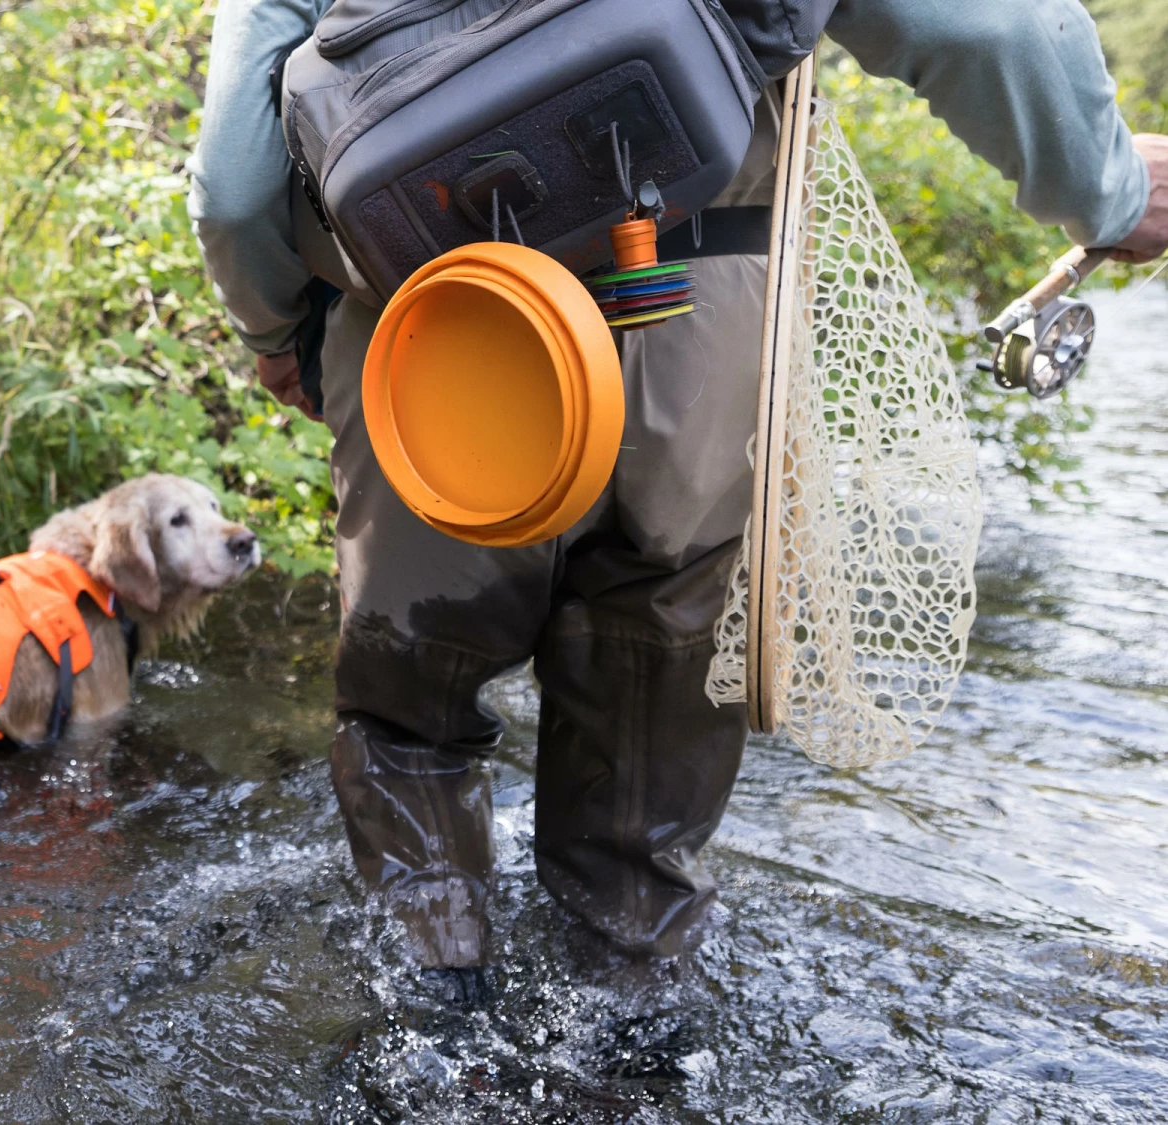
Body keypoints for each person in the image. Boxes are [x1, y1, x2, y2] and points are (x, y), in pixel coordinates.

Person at [189, 0, 1168, 967]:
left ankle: (436, 1000)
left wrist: (277, 331)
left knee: (413, 728)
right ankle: (633, 1015)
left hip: (439, 336)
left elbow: (233, 187)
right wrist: (1112, 192)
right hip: (695, 311)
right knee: (650, 747)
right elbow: (988, 29)